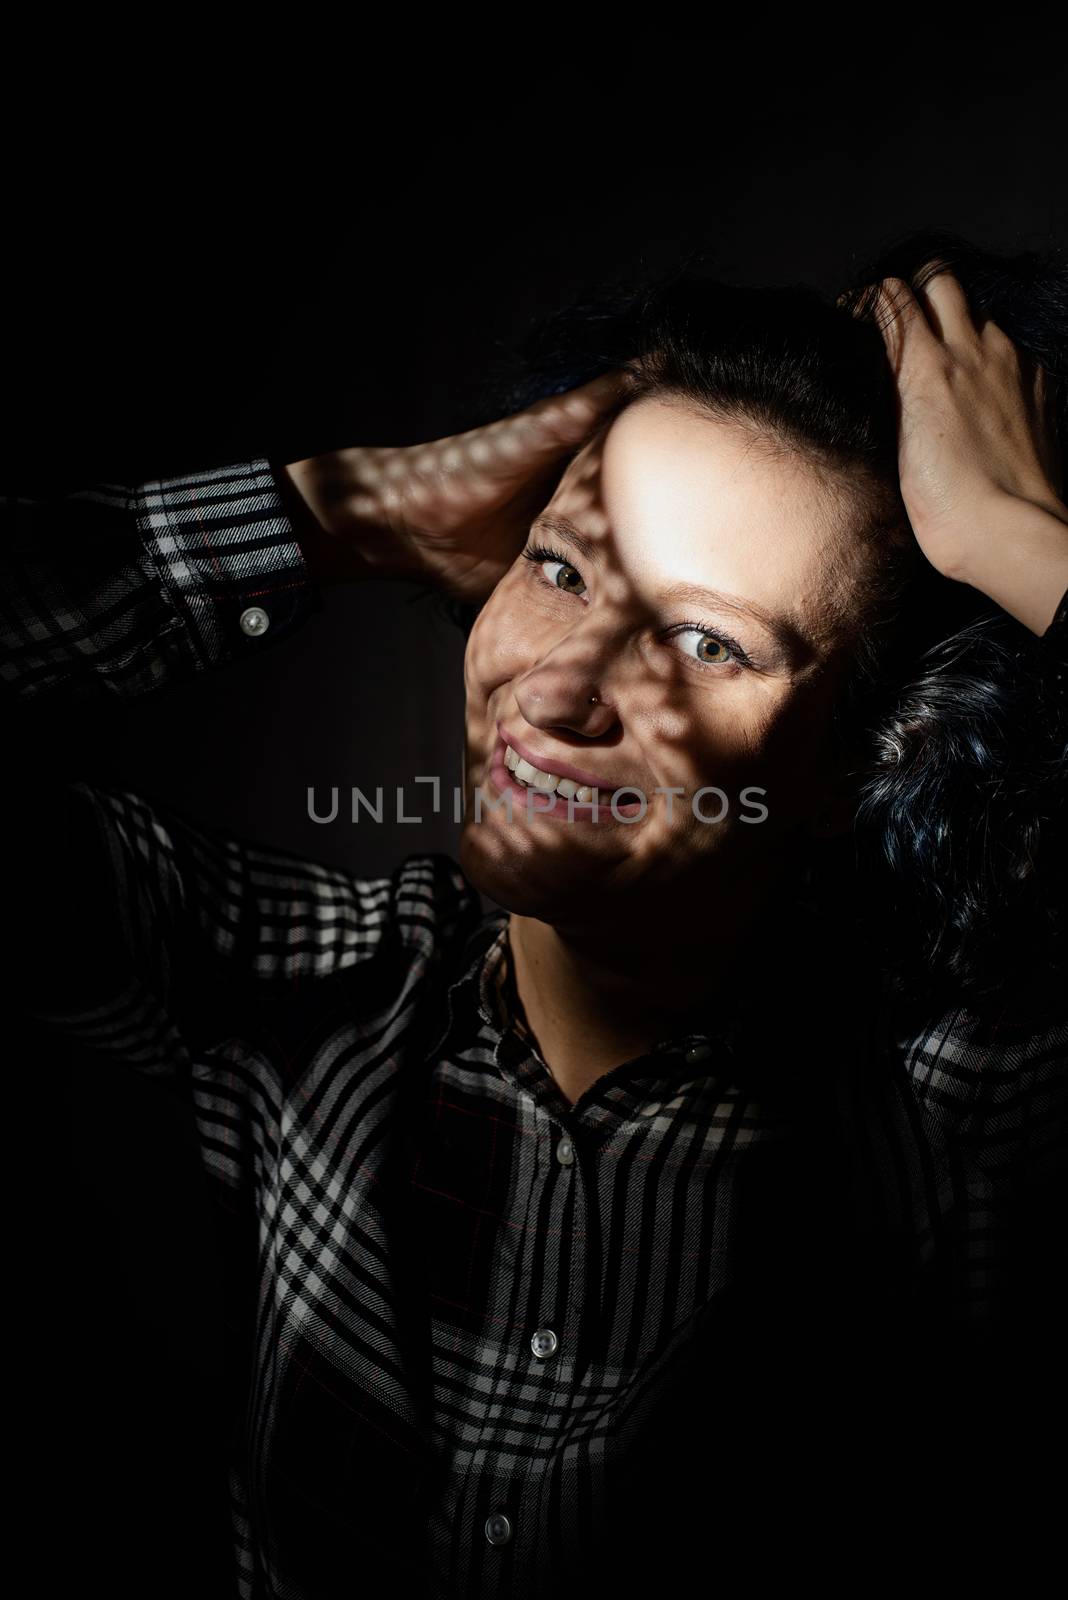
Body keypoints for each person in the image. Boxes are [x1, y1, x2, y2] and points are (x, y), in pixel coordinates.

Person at [3, 226, 1066, 1598]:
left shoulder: (954, 1118)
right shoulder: (293, 981)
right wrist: (333, 514)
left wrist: (1025, 544)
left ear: (871, 756)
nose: (556, 694)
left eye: (703, 642)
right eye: (562, 569)